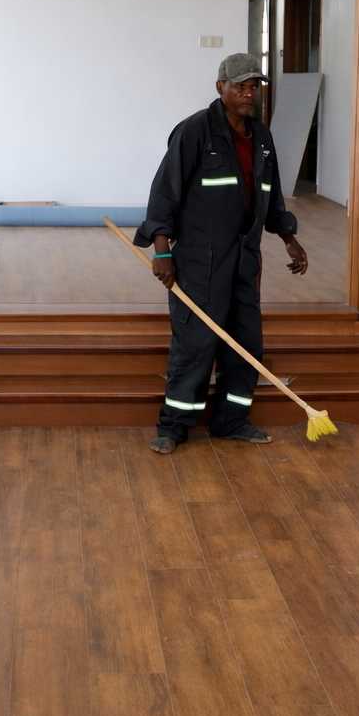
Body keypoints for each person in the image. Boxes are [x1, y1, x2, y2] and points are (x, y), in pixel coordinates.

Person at [135, 53, 309, 454]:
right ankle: (174, 426)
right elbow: (165, 193)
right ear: (220, 88)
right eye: (240, 87)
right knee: (196, 343)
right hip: (200, 260)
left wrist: (288, 236)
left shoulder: (261, 138)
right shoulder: (195, 131)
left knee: (245, 344)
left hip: (246, 259)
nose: (249, 94)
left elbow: (271, 194)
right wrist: (162, 253)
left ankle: (231, 421)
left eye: (255, 87)